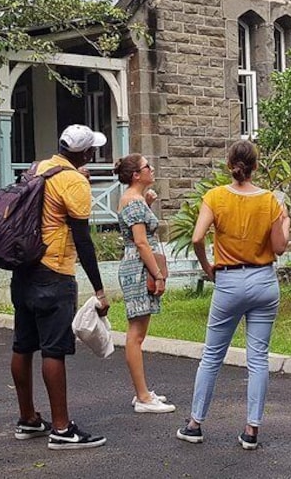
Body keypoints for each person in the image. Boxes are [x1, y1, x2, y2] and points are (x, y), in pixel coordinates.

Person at [176, 140, 290, 450]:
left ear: (230, 165)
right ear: (256, 165)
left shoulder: (214, 197)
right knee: (258, 359)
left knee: (212, 356)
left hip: (229, 280)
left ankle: (195, 423)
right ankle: (252, 429)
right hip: (264, 281)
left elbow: (198, 237)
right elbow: (279, 247)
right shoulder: (270, 201)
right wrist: (285, 220)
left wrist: (208, 267)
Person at [10, 124, 111, 450]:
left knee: (23, 345)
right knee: (54, 350)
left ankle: (27, 418)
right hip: (53, 272)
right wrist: (99, 289)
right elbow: (83, 240)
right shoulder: (75, 182)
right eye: (92, 149)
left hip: (23, 270)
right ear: (85, 153)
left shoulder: (38, 168)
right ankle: (62, 429)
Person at [114, 153, 176, 414]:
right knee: (136, 335)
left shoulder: (134, 200)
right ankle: (142, 396)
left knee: (137, 333)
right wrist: (158, 274)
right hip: (139, 268)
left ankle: (143, 392)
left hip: (135, 266)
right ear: (136, 175)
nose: (152, 169)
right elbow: (140, 242)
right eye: (146, 166)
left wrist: (148, 205)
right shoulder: (135, 202)